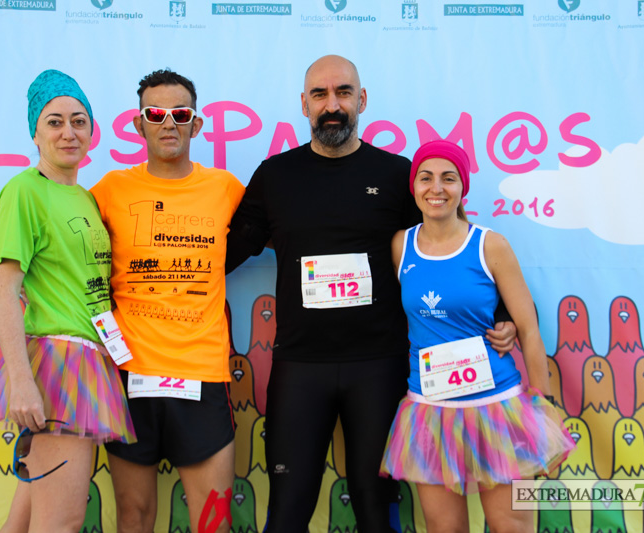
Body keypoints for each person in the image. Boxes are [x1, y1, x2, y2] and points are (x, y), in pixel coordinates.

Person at [225, 55, 517, 532]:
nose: (332, 105)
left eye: (343, 93)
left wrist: (502, 314)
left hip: (378, 368)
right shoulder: (276, 176)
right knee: (287, 511)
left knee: (376, 511)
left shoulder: (397, 175)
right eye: (320, 95)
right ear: (304, 105)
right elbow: (228, 251)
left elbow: (449, 249)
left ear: (362, 100)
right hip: (301, 366)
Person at [0, 69, 136, 533]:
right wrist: (21, 381)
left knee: (24, 520)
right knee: (61, 521)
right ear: (34, 133)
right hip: (60, 366)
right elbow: (5, 287)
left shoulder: (84, 197)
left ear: (92, 130)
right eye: (55, 121)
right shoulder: (24, 191)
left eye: (79, 121)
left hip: (90, 358)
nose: (68, 132)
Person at [379, 140, 575, 533]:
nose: (437, 188)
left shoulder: (490, 245)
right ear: (414, 187)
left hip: (499, 409)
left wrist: (543, 403)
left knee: (513, 527)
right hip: (430, 413)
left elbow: (529, 329)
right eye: (426, 178)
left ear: (462, 187)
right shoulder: (401, 246)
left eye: (448, 178)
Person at [90, 69, 244, 533]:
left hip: (201, 374)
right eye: (155, 113)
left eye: (180, 113)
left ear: (196, 125)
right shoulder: (110, 190)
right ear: (139, 124)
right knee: (133, 518)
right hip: (130, 374)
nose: (168, 123)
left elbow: (293, 230)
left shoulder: (225, 189)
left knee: (212, 521)